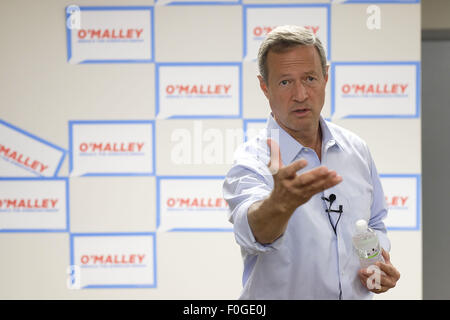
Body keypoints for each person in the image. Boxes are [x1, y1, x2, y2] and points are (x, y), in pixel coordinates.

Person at [223, 25, 400, 299]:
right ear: (264, 87)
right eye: (285, 82)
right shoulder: (253, 160)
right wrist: (278, 205)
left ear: (326, 77)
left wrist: (378, 264)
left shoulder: (356, 149)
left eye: (309, 78)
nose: (301, 95)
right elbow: (254, 230)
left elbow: (375, 222)